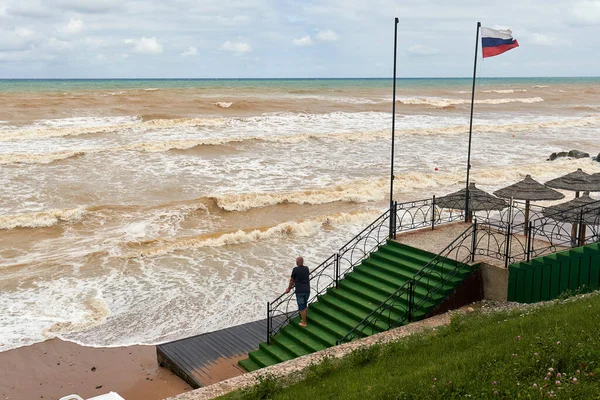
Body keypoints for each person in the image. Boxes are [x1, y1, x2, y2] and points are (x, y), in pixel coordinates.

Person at [285, 256, 310, 327]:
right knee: (305, 305)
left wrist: (289, 289)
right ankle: (303, 319)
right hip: (307, 290)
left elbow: (291, 280)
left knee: (302, 307)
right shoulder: (306, 269)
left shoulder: (295, 269)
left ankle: (304, 323)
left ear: (297, 263)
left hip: (300, 291)